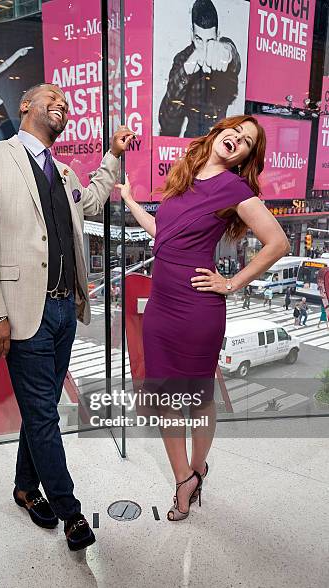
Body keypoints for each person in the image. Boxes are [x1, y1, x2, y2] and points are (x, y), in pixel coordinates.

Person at [0, 82, 133, 551]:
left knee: (41, 413)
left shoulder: (63, 172)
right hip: (19, 312)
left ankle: (23, 487)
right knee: (44, 416)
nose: (61, 104)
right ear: (25, 107)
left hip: (63, 308)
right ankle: (69, 511)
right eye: (51, 97)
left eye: (66, 103)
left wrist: (113, 155)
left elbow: (93, 202)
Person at [116, 114, 290, 521]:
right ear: (219, 132)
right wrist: (128, 201)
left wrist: (231, 283)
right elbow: (162, 233)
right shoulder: (185, 179)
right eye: (236, 132)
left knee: (197, 399)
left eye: (247, 142)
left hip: (198, 308)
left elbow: (278, 242)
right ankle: (185, 478)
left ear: (245, 156)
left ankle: (196, 469)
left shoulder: (234, 187)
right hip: (161, 306)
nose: (238, 140)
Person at [158, 0, 241, 138]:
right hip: (191, 143)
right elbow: (166, 122)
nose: (204, 48)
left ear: (218, 35)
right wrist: (185, 72)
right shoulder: (182, 59)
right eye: (198, 39)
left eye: (210, 41)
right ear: (191, 34)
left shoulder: (222, 50)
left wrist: (227, 51)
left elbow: (234, 59)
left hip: (220, 138)